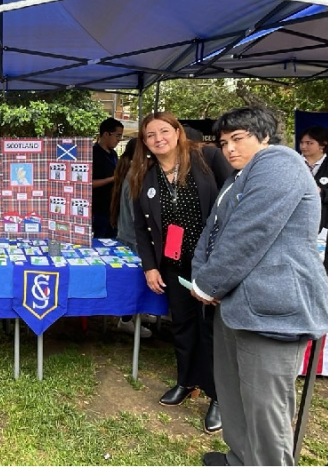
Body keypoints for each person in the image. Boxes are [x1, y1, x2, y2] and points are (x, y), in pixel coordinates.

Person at [191, 108, 328, 466]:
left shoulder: (280, 163)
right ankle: (240, 457)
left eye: (238, 139)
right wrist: (200, 275)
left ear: (265, 136)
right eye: (224, 142)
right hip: (237, 305)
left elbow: (247, 235)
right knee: (234, 393)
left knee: (265, 409)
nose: (229, 149)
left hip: (273, 310)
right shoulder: (238, 178)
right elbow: (213, 232)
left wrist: (208, 284)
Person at [129, 112, 233, 435]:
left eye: (164, 131)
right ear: (144, 143)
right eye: (150, 135)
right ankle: (186, 381)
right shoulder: (145, 176)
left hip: (211, 264)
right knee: (183, 325)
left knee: (211, 330)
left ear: (177, 133)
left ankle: (218, 396)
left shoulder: (208, 159)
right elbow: (141, 229)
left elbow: (234, 204)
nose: (158, 138)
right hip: (174, 265)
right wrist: (150, 265)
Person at [110, 138, 155, 338]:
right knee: (135, 282)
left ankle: (133, 315)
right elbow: (138, 215)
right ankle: (127, 319)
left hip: (127, 234)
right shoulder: (135, 177)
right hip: (134, 238)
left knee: (134, 281)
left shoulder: (129, 173)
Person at [92, 117, 124, 239]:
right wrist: (112, 179)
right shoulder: (93, 154)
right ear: (106, 134)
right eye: (117, 135)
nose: (119, 140)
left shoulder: (114, 154)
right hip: (98, 209)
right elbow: (87, 183)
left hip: (114, 208)